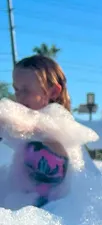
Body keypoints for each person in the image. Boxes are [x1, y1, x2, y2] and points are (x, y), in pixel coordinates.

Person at [7, 55, 72, 206]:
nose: (19, 97)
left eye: (26, 90)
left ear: (53, 92)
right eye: (16, 90)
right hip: (27, 212)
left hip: (54, 214)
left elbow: (55, 142)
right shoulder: (24, 130)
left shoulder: (61, 127)